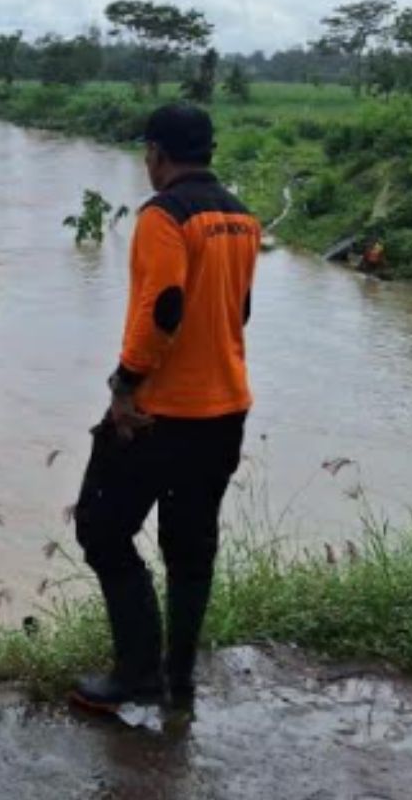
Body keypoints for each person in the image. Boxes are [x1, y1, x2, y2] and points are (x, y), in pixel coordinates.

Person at [72, 103, 259, 716]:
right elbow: (241, 312)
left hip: (158, 414)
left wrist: (124, 386)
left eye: (146, 154)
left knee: (102, 529)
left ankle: (136, 669)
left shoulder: (163, 216)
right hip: (225, 408)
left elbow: (164, 309)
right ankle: (179, 676)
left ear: (156, 153)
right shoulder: (240, 218)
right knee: (191, 546)